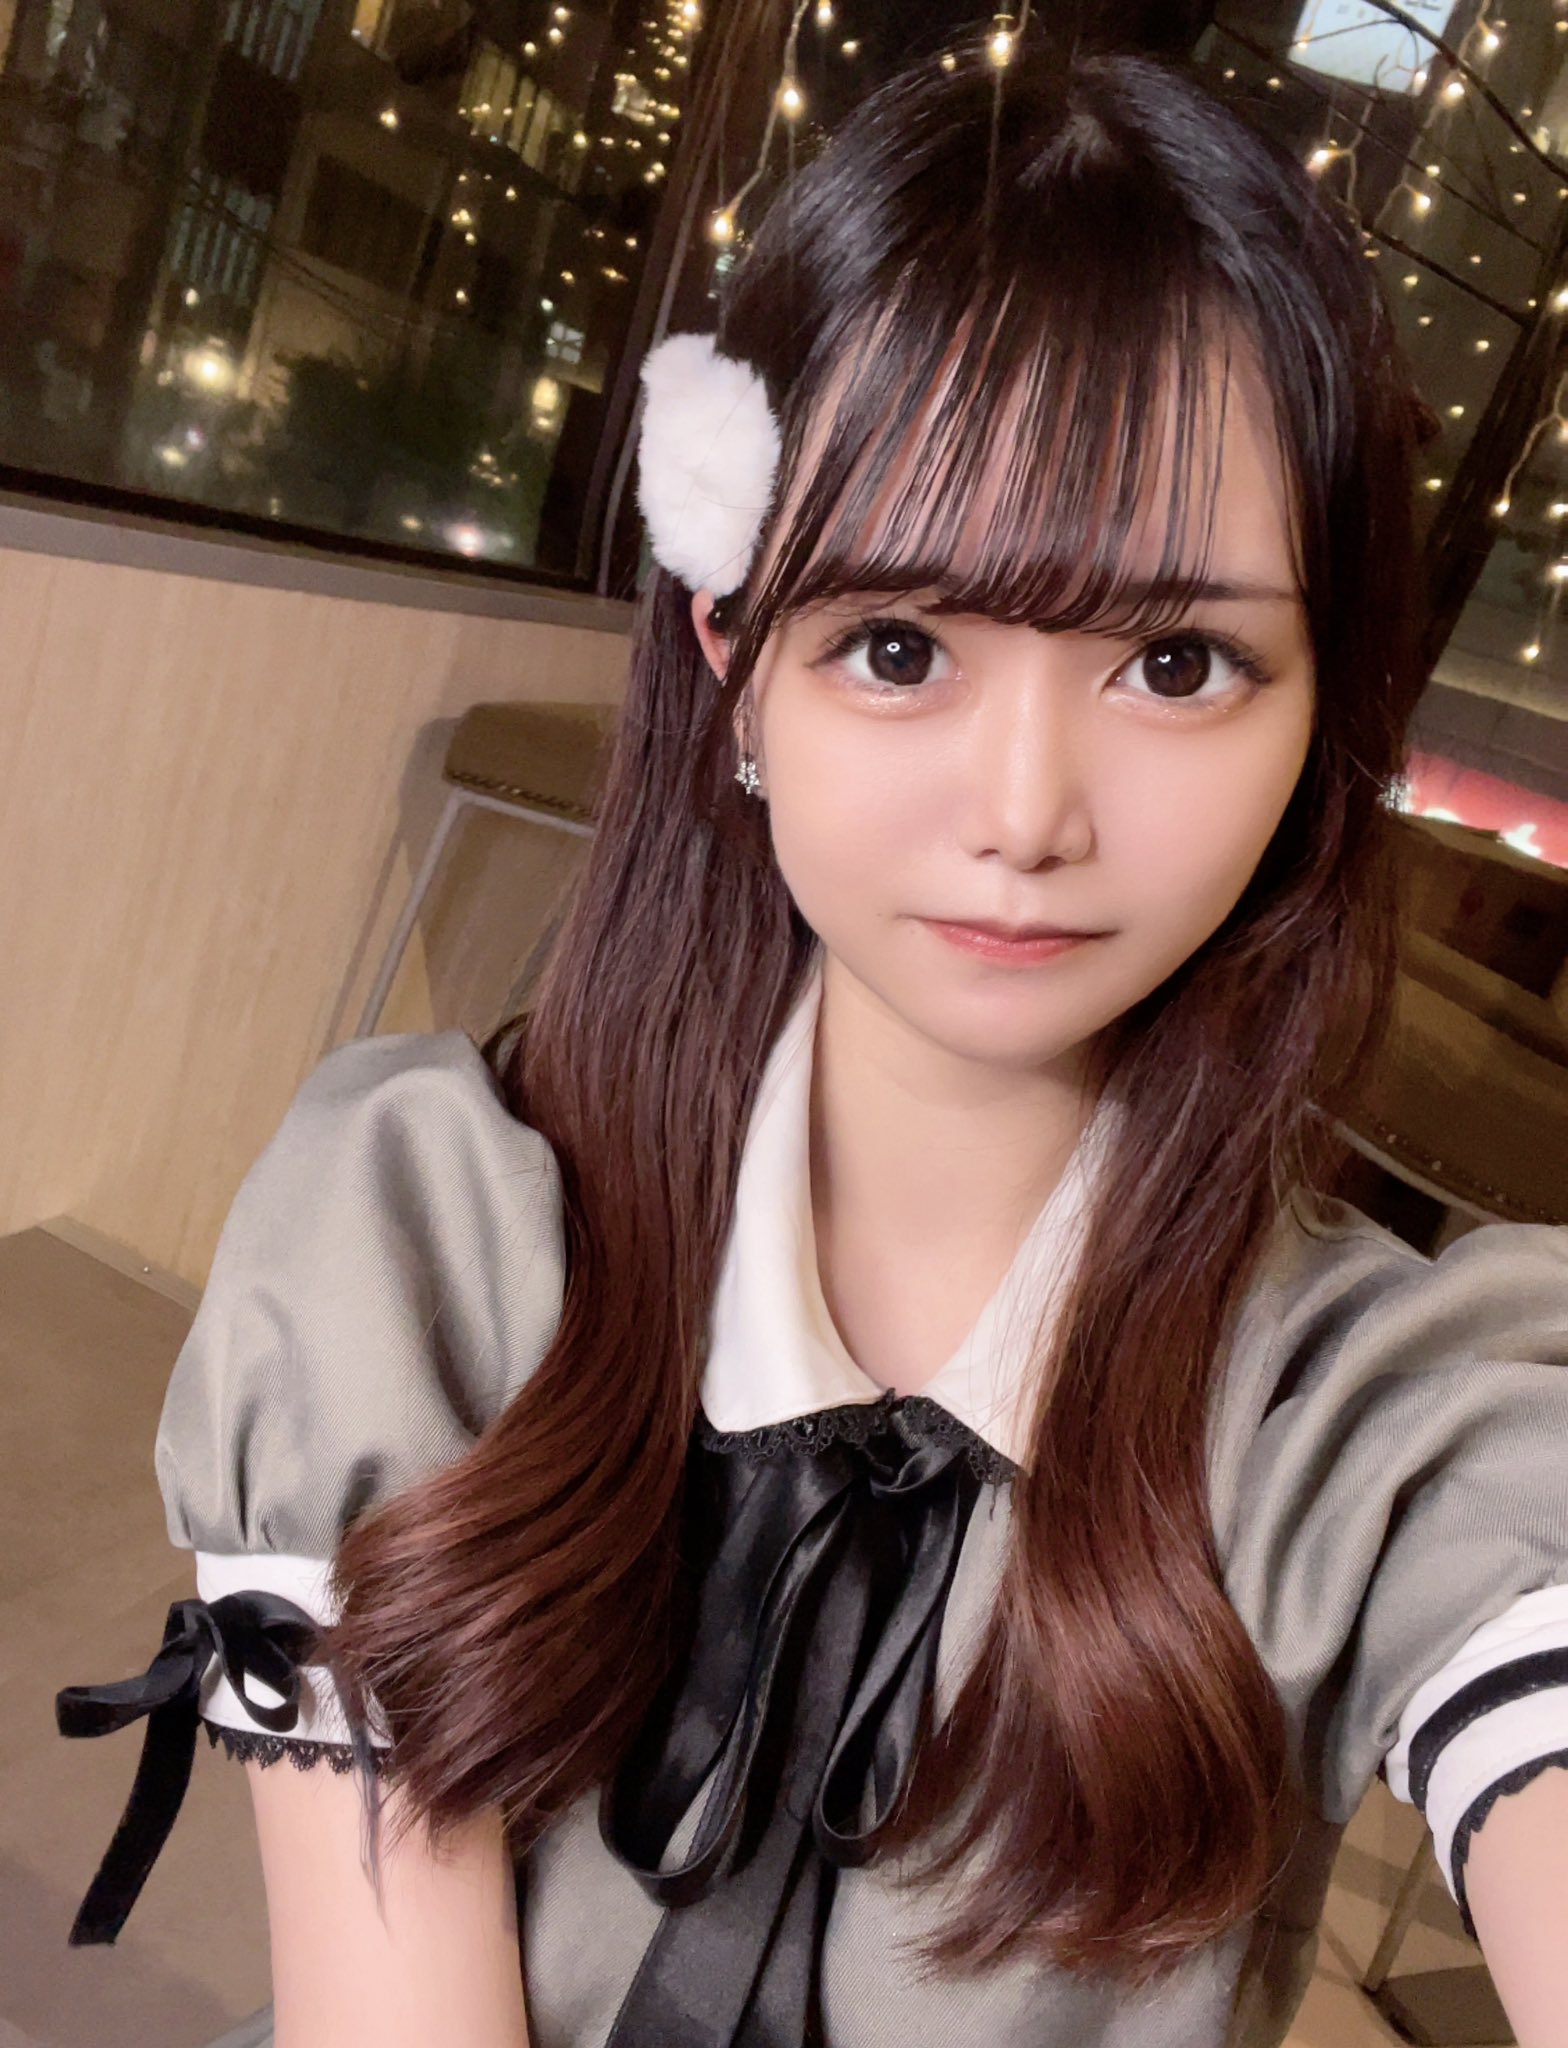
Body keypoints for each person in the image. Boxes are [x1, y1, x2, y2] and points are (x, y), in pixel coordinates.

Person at [57, 41, 1568, 2048]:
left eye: (1177, 662)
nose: (1025, 810)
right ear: (734, 652)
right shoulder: (413, 1238)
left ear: (1321, 718)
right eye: (899, 646)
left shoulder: (1372, 1418)